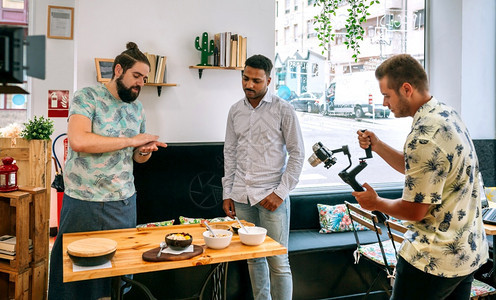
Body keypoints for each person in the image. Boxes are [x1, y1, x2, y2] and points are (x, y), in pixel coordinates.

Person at [353, 54, 488, 299]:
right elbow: (421, 172)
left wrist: (376, 203)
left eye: (387, 95)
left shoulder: (423, 137)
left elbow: (416, 210)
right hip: (466, 252)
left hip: (431, 260)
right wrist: (379, 145)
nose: (384, 103)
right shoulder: (446, 114)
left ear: (406, 89)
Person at [48, 42, 167, 300]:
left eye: (144, 79)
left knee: (118, 276)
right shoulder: (87, 96)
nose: (140, 84)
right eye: (136, 76)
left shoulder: (137, 108)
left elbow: (136, 157)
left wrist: (144, 150)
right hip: (83, 201)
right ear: (118, 70)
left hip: (123, 202)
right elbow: (79, 140)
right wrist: (131, 141)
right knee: (74, 274)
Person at [222, 54, 305, 300]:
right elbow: (230, 152)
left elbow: (298, 154)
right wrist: (228, 192)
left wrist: (280, 193)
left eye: (256, 81)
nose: (249, 85)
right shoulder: (235, 110)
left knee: (278, 263)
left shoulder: (284, 110)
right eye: (246, 79)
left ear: (269, 80)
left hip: (272, 197)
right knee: (254, 259)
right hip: (241, 197)